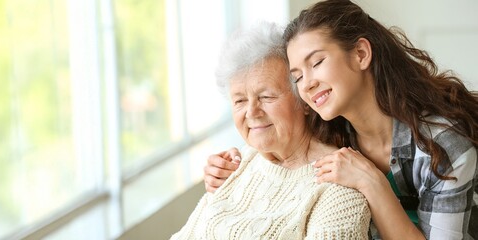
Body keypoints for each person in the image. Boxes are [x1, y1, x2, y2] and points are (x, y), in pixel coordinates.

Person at [203, 0, 478, 239]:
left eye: (317, 62)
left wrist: (372, 183)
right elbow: (276, 143)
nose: (307, 84)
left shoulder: (443, 147)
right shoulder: (328, 127)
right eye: (297, 76)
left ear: (360, 54)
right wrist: (232, 166)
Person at [171, 21, 371, 240]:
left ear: (304, 101)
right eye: (239, 101)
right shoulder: (236, 164)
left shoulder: (338, 185)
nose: (251, 112)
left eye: (266, 97)